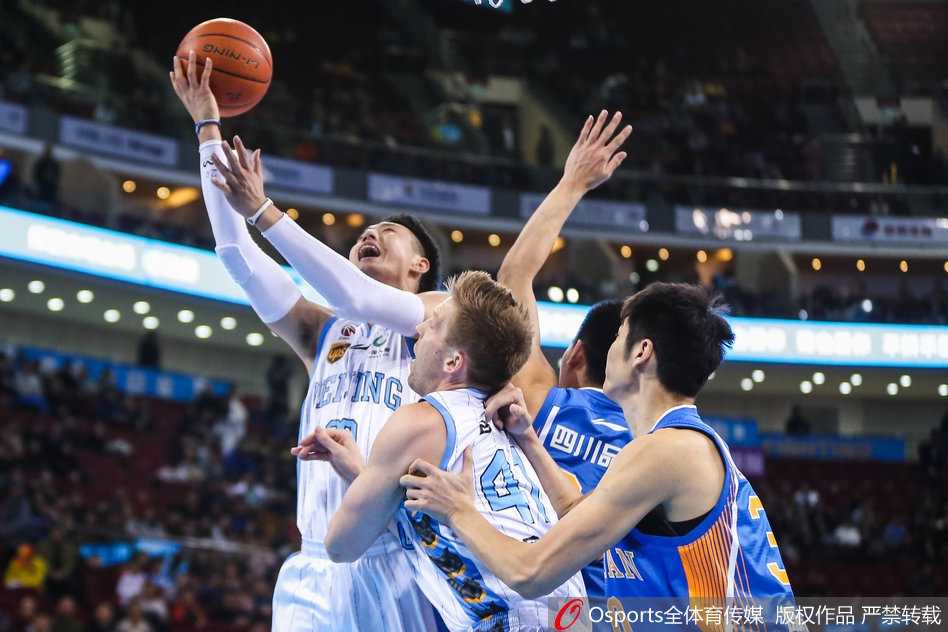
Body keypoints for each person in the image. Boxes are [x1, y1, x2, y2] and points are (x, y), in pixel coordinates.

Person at [171, 50, 444, 632]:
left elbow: (358, 295)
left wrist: (264, 210)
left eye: (387, 232)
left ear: (420, 265)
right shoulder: (326, 331)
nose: (368, 233)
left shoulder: (437, 317)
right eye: (364, 233)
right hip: (313, 565)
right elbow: (237, 256)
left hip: (397, 558)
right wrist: (208, 130)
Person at [402, 283, 794, 615]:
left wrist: (458, 510)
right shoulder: (673, 444)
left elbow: (531, 573)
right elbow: (581, 515)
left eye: (619, 337)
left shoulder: (670, 451)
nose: (609, 350)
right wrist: (529, 439)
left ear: (641, 352)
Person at [299, 271, 586, 631]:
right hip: (572, 616)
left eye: (433, 324)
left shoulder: (420, 422)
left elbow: (341, 546)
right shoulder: (507, 419)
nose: (418, 330)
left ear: (453, 361)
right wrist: (364, 472)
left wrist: (371, 477)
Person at [495, 111, 632, 598]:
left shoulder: (543, 401)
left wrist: (573, 183)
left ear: (575, 356)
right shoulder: (666, 443)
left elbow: (514, 277)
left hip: (547, 601)